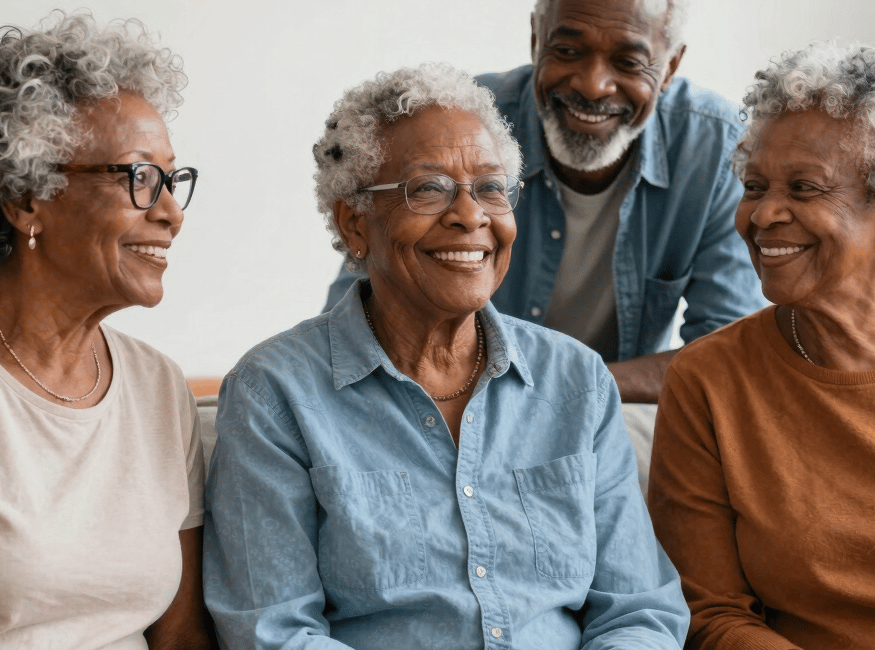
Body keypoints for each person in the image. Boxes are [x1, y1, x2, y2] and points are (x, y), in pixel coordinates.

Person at [203, 63, 690, 650]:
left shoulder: (574, 381)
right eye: (430, 190)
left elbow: (640, 612)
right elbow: (276, 644)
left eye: (492, 189)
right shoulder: (274, 390)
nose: (472, 217)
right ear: (355, 223)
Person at [0, 13, 282, 650]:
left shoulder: (157, 388)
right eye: (141, 179)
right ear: (27, 198)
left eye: (173, 180)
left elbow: (178, 645)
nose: (172, 213)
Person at [648, 41, 875, 650]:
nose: (763, 215)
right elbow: (709, 622)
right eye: (755, 187)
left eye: (803, 189)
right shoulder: (708, 381)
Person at [322, 0, 765, 404]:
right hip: (450, 398)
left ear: (670, 67)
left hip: (611, 403)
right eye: (568, 51)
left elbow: (724, 355)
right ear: (537, 39)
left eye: (628, 61)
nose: (593, 86)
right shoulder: (465, 130)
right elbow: (356, 319)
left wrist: (559, 385)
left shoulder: (717, 149)